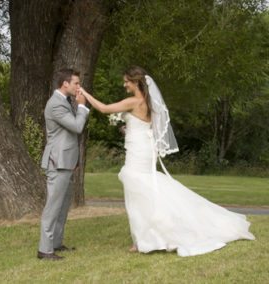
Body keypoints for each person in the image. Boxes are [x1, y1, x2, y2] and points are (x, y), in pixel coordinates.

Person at [79, 66, 255, 257]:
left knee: (137, 189)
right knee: (143, 189)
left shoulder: (134, 101)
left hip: (138, 152)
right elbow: (144, 125)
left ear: (136, 82)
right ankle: (144, 236)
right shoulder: (147, 102)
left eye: (127, 81)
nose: (124, 84)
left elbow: (104, 108)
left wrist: (85, 94)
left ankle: (144, 238)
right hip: (142, 148)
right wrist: (127, 129)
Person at [38, 68, 89, 261]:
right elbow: (77, 126)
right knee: (53, 206)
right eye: (76, 83)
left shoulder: (65, 102)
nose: (79, 87)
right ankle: (44, 250)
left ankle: (56, 243)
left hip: (67, 161)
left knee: (62, 206)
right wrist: (82, 107)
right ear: (65, 84)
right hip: (57, 162)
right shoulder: (55, 104)